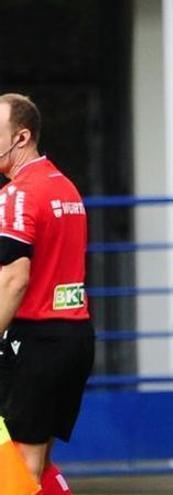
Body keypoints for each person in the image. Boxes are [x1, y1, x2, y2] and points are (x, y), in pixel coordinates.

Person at [0, 93, 94, 495]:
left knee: (20, 471)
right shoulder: (65, 187)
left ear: (21, 137)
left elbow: (14, 280)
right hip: (74, 338)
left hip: (36, 341)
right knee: (37, 464)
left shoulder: (17, 194)